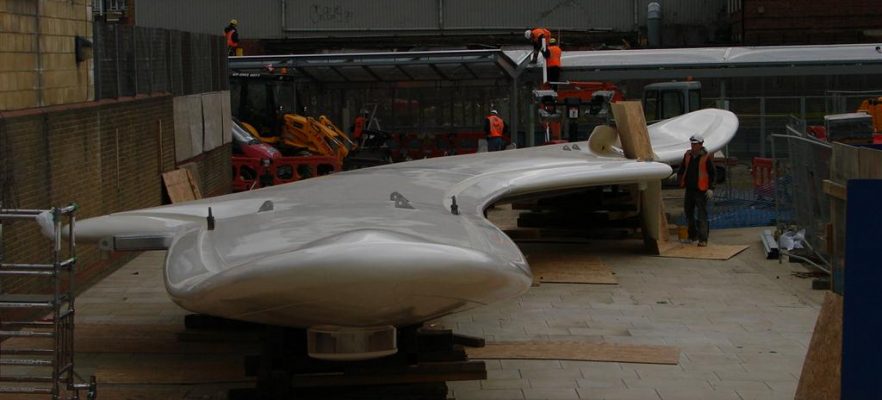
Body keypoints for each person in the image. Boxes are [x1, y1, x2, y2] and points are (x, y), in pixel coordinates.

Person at [677, 134, 716, 247]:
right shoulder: (688, 155)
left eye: (695, 144)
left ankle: (703, 239)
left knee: (701, 215)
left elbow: (713, 174)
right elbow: (683, 168)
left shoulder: (706, 157)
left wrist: (711, 188)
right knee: (689, 213)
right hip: (690, 189)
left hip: (701, 190)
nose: (693, 146)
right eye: (692, 144)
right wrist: (678, 176)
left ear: (701, 144)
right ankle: (692, 236)